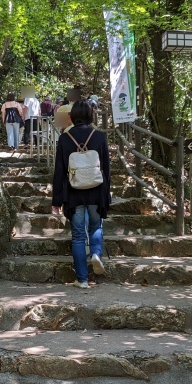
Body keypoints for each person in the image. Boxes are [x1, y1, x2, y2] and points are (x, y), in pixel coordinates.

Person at [51, 100, 111, 288]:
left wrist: (57, 199)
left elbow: (59, 170)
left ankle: (82, 280)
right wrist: (107, 193)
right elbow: (106, 169)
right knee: (96, 226)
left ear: (72, 116)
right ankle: (95, 253)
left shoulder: (65, 138)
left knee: (78, 235)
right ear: (91, 115)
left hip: (73, 191)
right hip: (96, 189)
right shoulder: (99, 137)